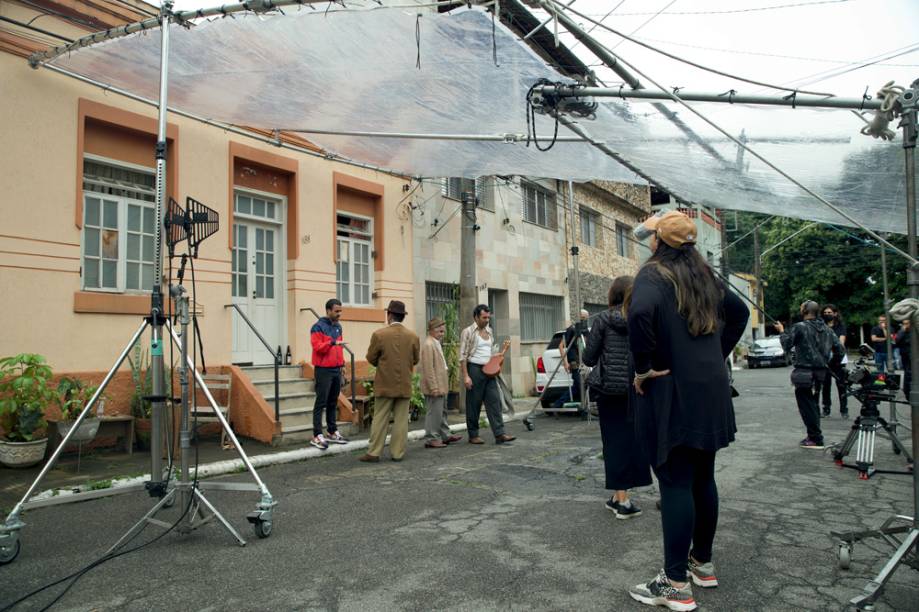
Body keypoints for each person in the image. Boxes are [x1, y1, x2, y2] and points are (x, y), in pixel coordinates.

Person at [626, 210, 749, 612]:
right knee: (702, 477)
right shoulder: (704, 274)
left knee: (676, 482)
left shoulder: (653, 274)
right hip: (710, 390)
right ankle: (702, 563)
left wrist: (643, 367)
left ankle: (675, 583)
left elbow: (641, 314)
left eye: (652, 237)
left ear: (659, 241)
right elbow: (741, 313)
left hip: (672, 388)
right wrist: (714, 356)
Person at [582, 276, 651, 520]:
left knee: (614, 442)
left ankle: (623, 501)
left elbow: (588, 359)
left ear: (612, 294)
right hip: (636, 388)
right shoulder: (640, 319)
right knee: (632, 441)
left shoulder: (602, 320)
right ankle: (618, 497)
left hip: (608, 391)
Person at [776, 301, 845, 450]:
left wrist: (781, 331)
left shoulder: (800, 327)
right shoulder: (828, 330)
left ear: (806, 311)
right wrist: (829, 365)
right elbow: (840, 350)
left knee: (807, 406)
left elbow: (786, 345)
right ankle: (814, 435)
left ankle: (815, 438)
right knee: (813, 404)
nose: (800, 309)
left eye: (801, 307)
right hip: (820, 372)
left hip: (804, 372)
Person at [358, 301, 420, 463]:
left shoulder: (379, 334)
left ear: (389, 315)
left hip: (384, 383)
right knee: (401, 420)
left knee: (380, 418)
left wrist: (383, 365)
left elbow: (371, 357)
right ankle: (397, 453)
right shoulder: (413, 336)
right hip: (404, 382)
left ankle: (374, 452)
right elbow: (415, 359)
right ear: (403, 316)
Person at [460, 304, 516, 445]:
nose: (486, 320)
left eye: (488, 317)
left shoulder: (489, 331)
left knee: (494, 400)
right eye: (484, 317)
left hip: (488, 370)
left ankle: (499, 434)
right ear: (476, 317)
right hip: (474, 369)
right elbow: (463, 356)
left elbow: (488, 353)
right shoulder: (468, 332)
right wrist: (466, 376)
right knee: (474, 403)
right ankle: (473, 435)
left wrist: (499, 355)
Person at [309, 298, 349, 450]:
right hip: (323, 369)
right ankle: (317, 435)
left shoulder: (338, 327)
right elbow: (317, 347)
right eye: (336, 311)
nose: (339, 314)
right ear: (328, 311)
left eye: (340, 311)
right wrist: (331, 342)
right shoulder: (317, 327)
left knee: (333, 401)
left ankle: (332, 432)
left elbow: (340, 348)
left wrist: (343, 364)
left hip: (336, 369)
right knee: (321, 402)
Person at [420, 317, 463, 448]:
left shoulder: (435, 342)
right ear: (432, 330)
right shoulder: (428, 344)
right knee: (434, 412)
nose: (442, 334)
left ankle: (445, 435)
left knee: (442, 411)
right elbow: (428, 369)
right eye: (440, 331)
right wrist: (433, 387)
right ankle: (431, 438)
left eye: (443, 331)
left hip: (441, 384)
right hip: (435, 385)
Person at [554, 309, 590, 407]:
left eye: (586, 319)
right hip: (574, 363)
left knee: (578, 387)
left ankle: (557, 404)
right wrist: (565, 362)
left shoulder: (586, 331)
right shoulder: (572, 329)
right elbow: (561, 345)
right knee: (581, 385)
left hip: (584, 363)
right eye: (582, 318)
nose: (584, 321)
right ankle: (584, 410)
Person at [820, 304, 848, 418]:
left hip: (838, 359)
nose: (827, 314)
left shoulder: (840, 326)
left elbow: (841, 343)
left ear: (835, 314)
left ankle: (844, 409)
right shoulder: (821, 326)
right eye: (825, 313)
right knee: (825, 386)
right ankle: (826, 408)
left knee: (841, 385)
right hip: (825, 360)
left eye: (829, 312)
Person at [894, 318, 911, 402]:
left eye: (907, 323)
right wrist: (902, 330)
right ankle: (908, 393)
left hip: (913, 356)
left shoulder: (914, 331)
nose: (906, 325)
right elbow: (896, 340)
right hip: (906, 356)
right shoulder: (902, 332)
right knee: (908, 374)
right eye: (904, 323)